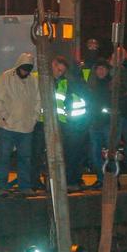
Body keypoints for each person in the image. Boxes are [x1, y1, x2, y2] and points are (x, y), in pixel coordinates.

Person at [0, 52, 39, 196]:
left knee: (25, 158)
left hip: (26, 127)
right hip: (8, 127)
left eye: (28, 69)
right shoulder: (6, 77)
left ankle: (24, 186)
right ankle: (2, 186)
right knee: (4, 157)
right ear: (19, 66)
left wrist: (33, 118)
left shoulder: (33, 81)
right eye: (24, 68)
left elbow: (38, 100)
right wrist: (4, 117)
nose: (26, 72)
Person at [50, 56, 88, 190]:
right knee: (71, 155)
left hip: (68, 125)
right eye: (58, 70)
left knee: (71, 155)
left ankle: (70, 181)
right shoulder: (65, 82)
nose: (60, 73)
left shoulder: (66, 83)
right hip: (67, 124)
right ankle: (70, 181)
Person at [86, 60, 113, 187]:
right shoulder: (90, 86)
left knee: (111, 154)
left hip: (108, 124)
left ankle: (112, 179)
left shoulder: (112, 85)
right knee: (94, 154)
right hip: (94, 123)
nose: (101, 71)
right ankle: (101, 179)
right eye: (99, 68)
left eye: (104, 68)